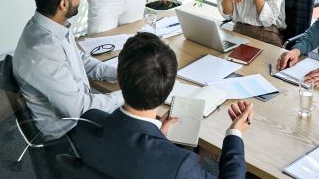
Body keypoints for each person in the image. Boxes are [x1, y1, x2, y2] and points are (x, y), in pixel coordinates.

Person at [63, 32, 253, 178]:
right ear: (169, 89)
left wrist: (157, 137)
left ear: (119, 80)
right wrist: (235, 134)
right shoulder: (180, 165)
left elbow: (125, 156)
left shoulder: (88, 121)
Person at [12, 0, 123, 140]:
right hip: (69, 133)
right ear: (64, 4)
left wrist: (118, 73)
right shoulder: (43, 51)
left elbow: (79, 60)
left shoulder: (49, 24)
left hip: (78, 111)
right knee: (140, 127)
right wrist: (128, 95)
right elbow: (79, 109)